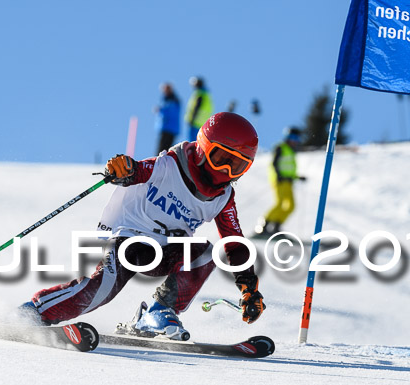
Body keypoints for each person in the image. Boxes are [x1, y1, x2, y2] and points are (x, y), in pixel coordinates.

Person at [22, 112, 266, 341]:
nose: (225, 171)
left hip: (165, 251)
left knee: (204, 253)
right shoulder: (170, 164)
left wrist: (248, 288)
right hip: (127, 239)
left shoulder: (223, 197)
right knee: (101, 292)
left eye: (237, 166)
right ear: (203, 148)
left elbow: (234, 244)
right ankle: (33, 313)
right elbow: (138, 170)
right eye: (221, 159)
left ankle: (156, 313)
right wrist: (123, 169)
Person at [253, 127, 306, 238]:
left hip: (288, 182)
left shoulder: (291, 151)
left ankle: (276, 226)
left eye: (296, 138)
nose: (294, 140)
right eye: (292, 137)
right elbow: (275, 163)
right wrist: (278, 175)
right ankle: (264, 224)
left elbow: (289, 169)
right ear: (287, 137)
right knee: (280, 203)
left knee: (291, 206)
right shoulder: (281, 148)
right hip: (280, 181)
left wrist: (297, 177)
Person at [184, 76, 213, 141]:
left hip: (196, 121)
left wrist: (192, 118)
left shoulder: (199, 93)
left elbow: (197, 106)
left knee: (192, 142)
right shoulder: (206, 94)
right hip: (203, 122)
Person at [154, 82, 181, 154]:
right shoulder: (166, 100)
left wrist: (161, 110)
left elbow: (171, 112)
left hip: (169, 128)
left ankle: (157, 162)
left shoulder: (173, 100)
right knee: (163, 148)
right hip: (168, 128)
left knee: (163, 148)